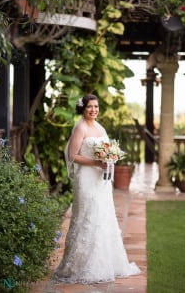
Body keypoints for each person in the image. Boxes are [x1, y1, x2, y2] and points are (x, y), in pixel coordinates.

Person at [53, 94, 141, 284]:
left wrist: (110, 159)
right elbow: (72, 155)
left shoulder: (99, 128)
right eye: (90, 107)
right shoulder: (80, 128)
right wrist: (96, 162)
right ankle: (78, 265)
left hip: (101, 180)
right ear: (83, 109)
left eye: (96, 107)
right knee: (87, 216)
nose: (93, 110)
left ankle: (106, 262)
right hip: (86, 178)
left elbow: (108, 150)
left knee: (104, 216)